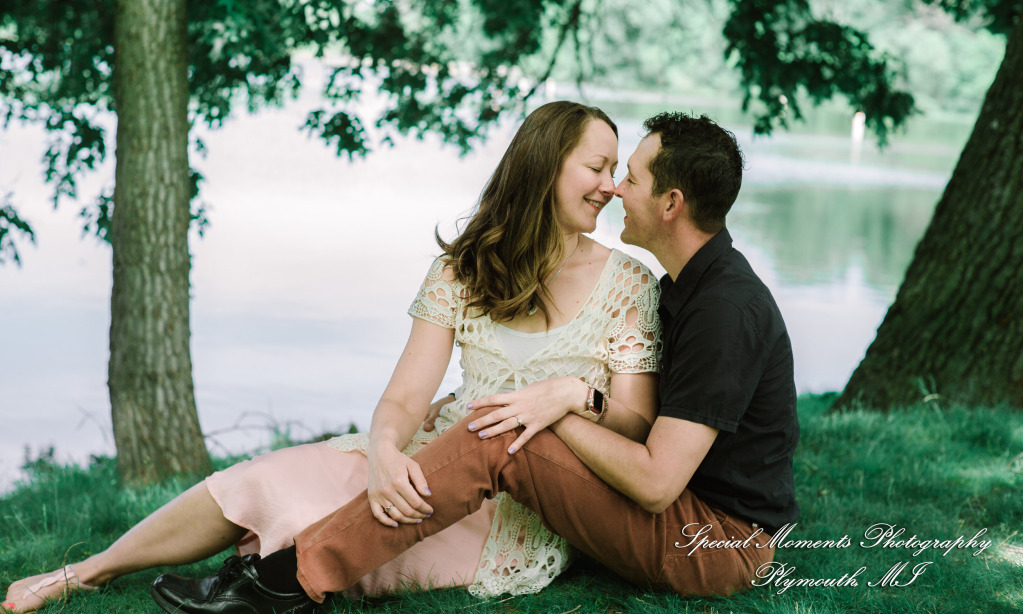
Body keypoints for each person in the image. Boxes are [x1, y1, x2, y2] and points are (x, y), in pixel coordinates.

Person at [1, 101, 663, 613]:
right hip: (428, 453)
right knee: (265, 477)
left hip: (518, 500)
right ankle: (81, 574)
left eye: (615, 170)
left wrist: (574, 397)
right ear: (546, 166)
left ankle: (260, 584)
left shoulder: (628, 284)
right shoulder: (460, 271)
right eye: (597, 167)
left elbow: (633, 426)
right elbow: (406, 397)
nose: (610, 186)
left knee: (322, 527)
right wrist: (383, 454)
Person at [147, 112, 800, 614]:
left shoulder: (724, 310)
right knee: (506, 425)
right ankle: (283, 571)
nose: (615, 190)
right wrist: (571, 399)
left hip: (713, 546)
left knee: (505, 436)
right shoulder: (685, 287)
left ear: (670, 204)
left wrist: (550, 406)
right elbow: (638, 427)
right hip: (682, 519)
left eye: (630, 177)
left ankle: (285, 583)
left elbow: (657, 483)